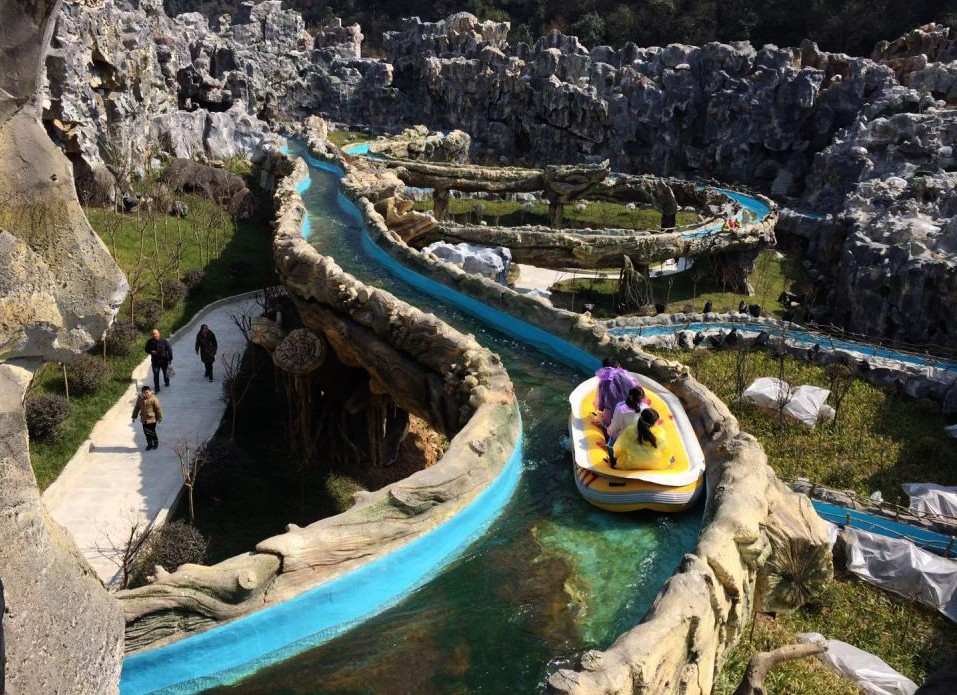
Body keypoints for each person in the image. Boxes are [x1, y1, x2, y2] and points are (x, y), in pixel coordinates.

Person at [594, 358, 638, 427]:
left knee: (603, 419)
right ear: (618, 365)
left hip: (612, 416)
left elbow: (601, 404)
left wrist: (600, 414)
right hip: (630, 410)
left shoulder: (603, 382)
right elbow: (636, 389)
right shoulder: (627, 376)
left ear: (603, 368)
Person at [132, 385, 163, 450]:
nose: (145, 394)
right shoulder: (140, 399)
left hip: (152, 419)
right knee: (146, 432)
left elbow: (158, 409)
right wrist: (134, 417)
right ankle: (149, 444)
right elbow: (137, 408)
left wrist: (159, 417)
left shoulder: (154, 399)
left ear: (150, 392)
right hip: (144, 419)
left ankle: (155, 442)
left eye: (147, 392)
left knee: (152, 432)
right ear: (142, 392)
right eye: (144, 392)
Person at [144, 328, 173, 392]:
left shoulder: (164, 341)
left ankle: (166, 381)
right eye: (153, 334)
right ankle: (157, 388)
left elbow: (169, 350)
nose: (154, 335)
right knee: (156, 374)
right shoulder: (150, 342)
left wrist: (170, 359)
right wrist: (151, 351)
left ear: (159, 333)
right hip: (155, 361)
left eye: (156, 333)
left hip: (164, 361)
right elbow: (146, 349)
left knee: (165, 373)